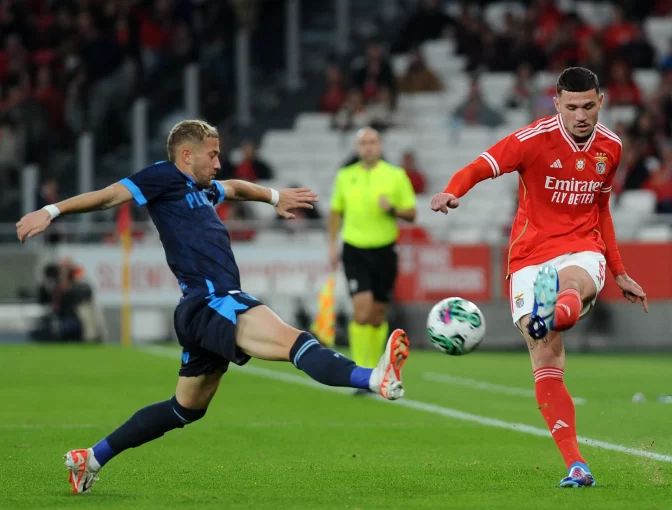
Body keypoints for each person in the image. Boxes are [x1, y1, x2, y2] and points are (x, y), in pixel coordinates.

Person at [15, 119, 411, 494]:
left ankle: (91, 459)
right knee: (295, 342)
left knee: (186, 409)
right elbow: (107, 197)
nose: (219, 163)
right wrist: (50, 211)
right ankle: (372, 378)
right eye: (213, 155)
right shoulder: (163, 177)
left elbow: (236, 188)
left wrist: (275, 197)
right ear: (187, 156)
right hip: (214, 300)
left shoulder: (203, 190)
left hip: (200, 309)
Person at [430, 67, 648, 488]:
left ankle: (553, 308)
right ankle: (576, 465)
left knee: (572, 285)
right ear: (557, 104)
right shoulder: (532, 140)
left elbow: (602, 210)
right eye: (572, 107)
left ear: (600, 101)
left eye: (588, 106)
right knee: (547, 361)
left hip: (583, 245)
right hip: (529, 255)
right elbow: (482, 165)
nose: (581, 115)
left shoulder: (612, 147)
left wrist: (618, 271)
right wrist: (453, 190)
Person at [328, 127, 416, 375]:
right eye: (364, 142)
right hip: (355, 249)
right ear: (357, 148)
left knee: (377, 315)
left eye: (373, 142)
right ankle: (360, 367)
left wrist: (393, 209)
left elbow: (411, 213)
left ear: (380, 146)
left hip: (385, 251)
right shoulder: (345, 176)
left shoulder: (395, 175)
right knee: (362, 310)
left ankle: (376, 365)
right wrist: (332, 245)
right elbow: (336, 212)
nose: (368, 146)